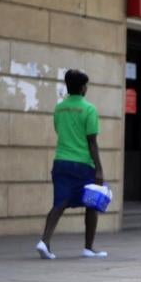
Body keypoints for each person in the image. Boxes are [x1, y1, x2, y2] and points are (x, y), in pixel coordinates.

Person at [36, 69, 107, 260]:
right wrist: (99, 168)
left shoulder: (59, 108)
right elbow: (92, 141)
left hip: (61, 162)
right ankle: (88, 248)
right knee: (91, 204)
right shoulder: (89, 109)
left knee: (59, 203)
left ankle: (44, 241)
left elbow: (60, 131)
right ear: (83, 88)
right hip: (83, 164)